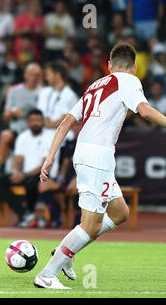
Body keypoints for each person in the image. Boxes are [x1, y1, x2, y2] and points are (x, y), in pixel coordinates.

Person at [34, 43, 166, 289]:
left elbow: (66, 122)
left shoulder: (95, 85)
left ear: (109, 65)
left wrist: (50, 156)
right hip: (97, 157)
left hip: (85, 152)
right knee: (91, 224)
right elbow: (145, 111)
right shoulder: (127, 80)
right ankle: (47, 274)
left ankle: (65, 254)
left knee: (119, 213)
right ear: (134, 67)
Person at [0, 109, 58, 227]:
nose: (35, 123)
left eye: (38, 120)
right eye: (32, 120)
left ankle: (28, 214)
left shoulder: (49, 137)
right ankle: (25, 214)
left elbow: (45, 164)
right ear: (28, 122)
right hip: (24, 175)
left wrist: (25, 175)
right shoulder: (23, 137)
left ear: (43, 121)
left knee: (31, 183)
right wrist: (16, 171)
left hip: (43, 175)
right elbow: (18, 158)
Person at [0, 63, 42, 174]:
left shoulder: (44, 92)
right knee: (5, 136)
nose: (34, 77)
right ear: (25, 75)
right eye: (32, 74)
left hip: (36, 132)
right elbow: (5, 117)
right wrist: (12, 112)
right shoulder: (14, 91)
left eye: (37, 75)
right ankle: (1, 170)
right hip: (17, 132)